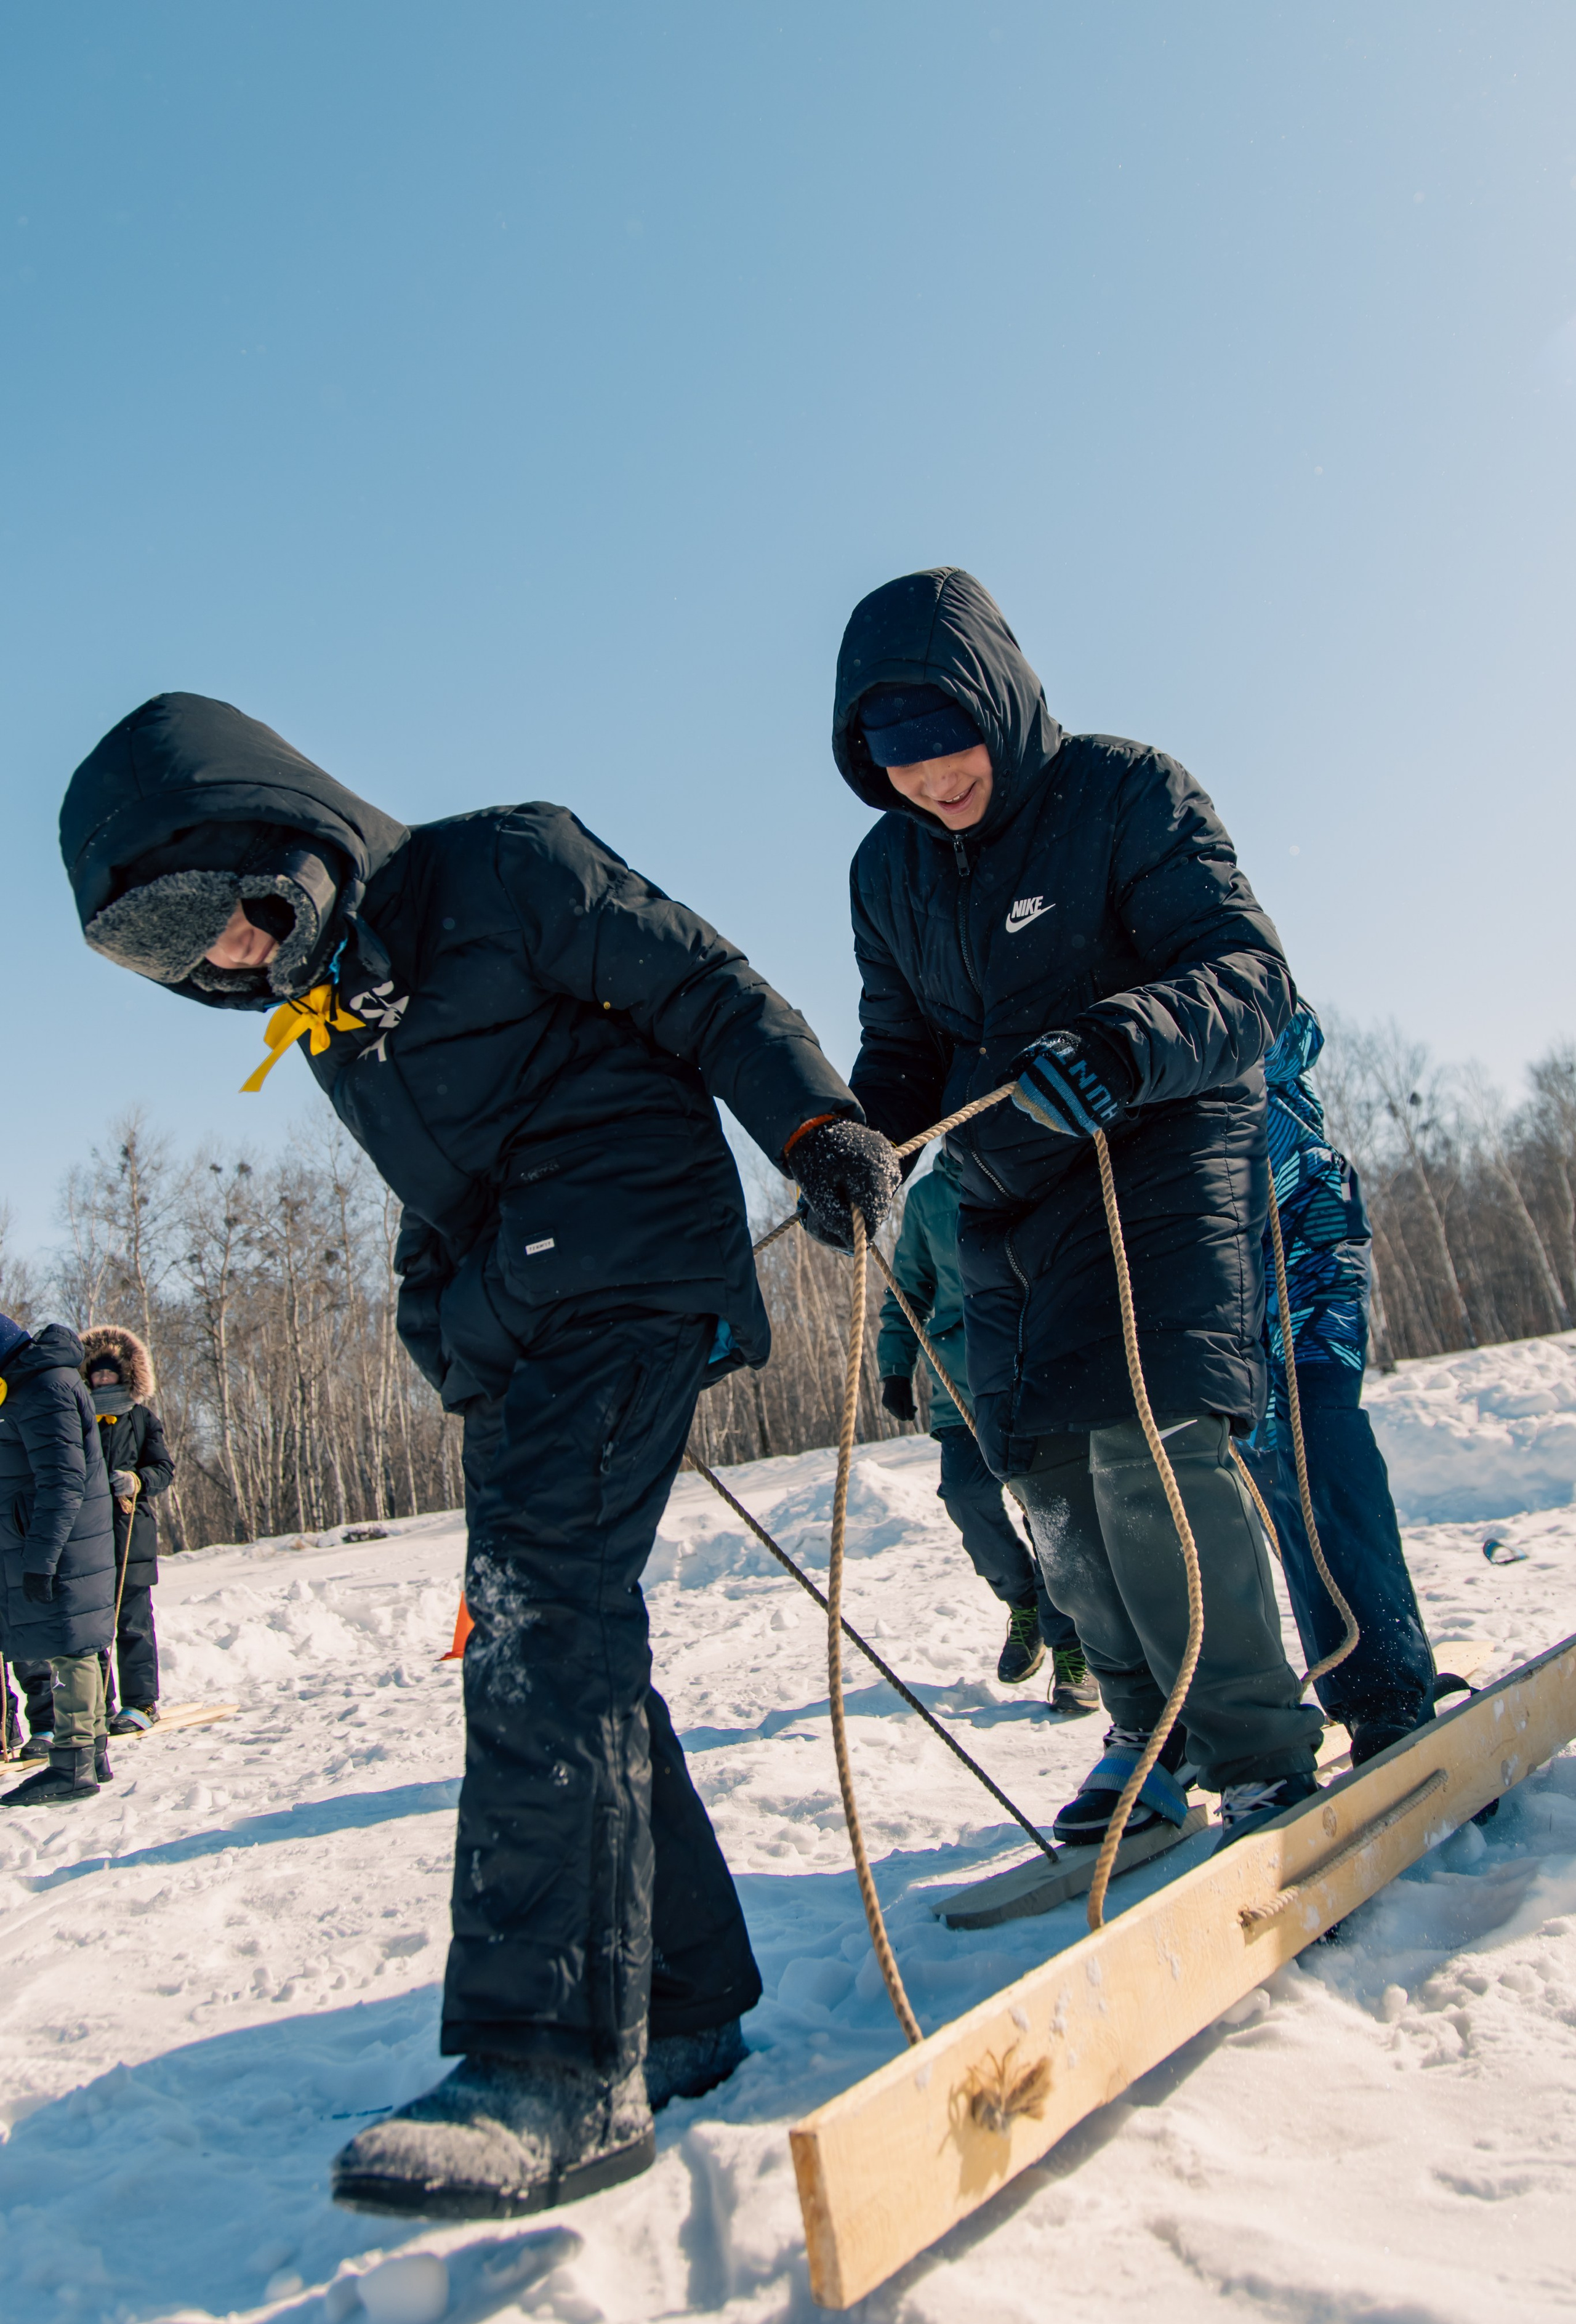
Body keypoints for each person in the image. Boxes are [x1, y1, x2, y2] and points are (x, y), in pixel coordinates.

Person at [62, 690, 896, 2219]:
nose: (218, 958)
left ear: (268, 835)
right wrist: (441, 1328)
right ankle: (684, 1995)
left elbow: (704, 986)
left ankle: (550, 2063)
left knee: (536, 1622)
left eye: (210, 914)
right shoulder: (331, 1020)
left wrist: (814, 1129)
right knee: (563, 1640)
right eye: (169, 955)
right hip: (526, 1324)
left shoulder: (504, 866)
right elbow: (442, 1196)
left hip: (635, 1269)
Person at [833, 567, 1324, 1853]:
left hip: (1150, 1152)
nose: (933, 780)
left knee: (1144, 1444)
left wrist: (1120, 1041)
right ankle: (1142, 1732)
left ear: (996, 706)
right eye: (897, 761)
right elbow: (900, 1053)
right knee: (1041, 1476)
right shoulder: (884, 871)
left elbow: (1247, 976)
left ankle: (1257, 1748)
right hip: (1000, 1188)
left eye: (950, 746)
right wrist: (853, 1140)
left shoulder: (1123, 792)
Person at [1238, 1003, 1436, 1764]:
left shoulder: (1215, 956)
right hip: (1222, 1283)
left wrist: (1195, 1046)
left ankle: (1388, 1691)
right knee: (1273, 1480)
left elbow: (1296, 1033)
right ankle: (1350, 1686)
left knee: (1320, 1449)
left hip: (1308, 1254)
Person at [877, 1144, 1096, 1709]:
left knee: (1049, 1510)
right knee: (967, 1495)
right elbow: (908, 1288)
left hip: (1034, 1376)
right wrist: (895, 1367)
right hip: (960, 1385)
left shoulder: (1030, 1164)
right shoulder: (927, 1198)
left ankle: (1071, 1646)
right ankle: (1025, 1606)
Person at [0, 1314, 116, 1804]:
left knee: (70, 1644)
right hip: (64, 1537)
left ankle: (71, 1765)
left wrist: (40, 1558)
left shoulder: (43, 1388)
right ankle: (91, 1754)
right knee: (75, 1642)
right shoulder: (39, 1382)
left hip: (60, 1541)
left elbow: (63, 1482)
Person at [81, 1326, 176, 1732]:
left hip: (132, 1532)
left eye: (110, 1375)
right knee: (93, 1626)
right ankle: (97, 1706)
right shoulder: (79, 1418)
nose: (104, 1381)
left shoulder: (140, 1418)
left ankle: (141, 1702)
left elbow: (163, 1468)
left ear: (125, 1375)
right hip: (90, 1537)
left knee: (133, 1621)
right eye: (97, 1375)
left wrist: (138, 1481)